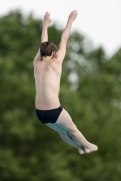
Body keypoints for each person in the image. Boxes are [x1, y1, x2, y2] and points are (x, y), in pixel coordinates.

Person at [33, 10, 98, 154]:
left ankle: (80, 148)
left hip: (40, 113)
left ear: (41, 52)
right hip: (53, 110)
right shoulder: (56, 62)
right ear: (54, 53)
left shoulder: (36, 63)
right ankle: (88, 145)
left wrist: (45, 24)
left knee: (63, 132)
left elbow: (42, 44)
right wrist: (70, 20)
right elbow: (65, 38)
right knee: (72, 128)